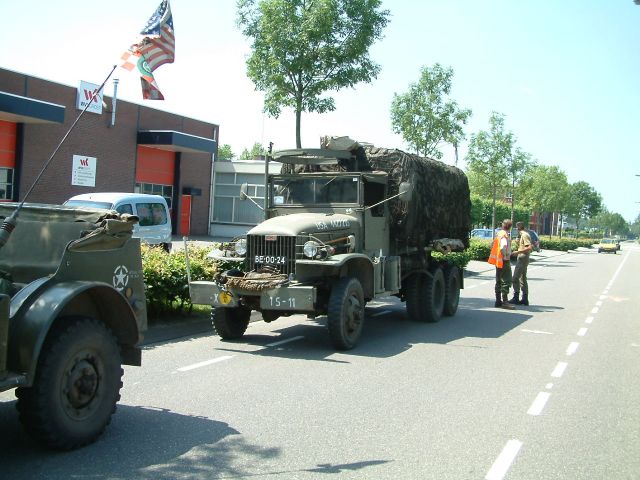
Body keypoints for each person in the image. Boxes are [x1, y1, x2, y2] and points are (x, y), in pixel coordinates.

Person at [488, 219, 515, 310]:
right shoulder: (504, 235)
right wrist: (506, 255)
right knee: (506, 280)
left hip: (498, 261)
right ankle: (505, 302)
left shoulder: (499, 233)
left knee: (498, 280)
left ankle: (498, 301)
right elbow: (503, 247)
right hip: (504, 260)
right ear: (510, 227)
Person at [510, 222, 533, 305]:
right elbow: (525, 245)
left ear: (518, 228)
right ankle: (525, 298)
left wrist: (518, 252)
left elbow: (529, 247)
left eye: (516, 228)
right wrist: (518, 242)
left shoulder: (524, 235)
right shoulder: (523, 235)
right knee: (522, 279)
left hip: (522, 258)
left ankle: (516, 297)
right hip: (524, 258)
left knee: (515, 278)